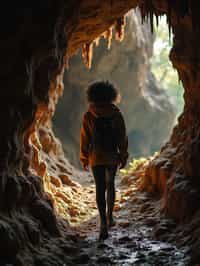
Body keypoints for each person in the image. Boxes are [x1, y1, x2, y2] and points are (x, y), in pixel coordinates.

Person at [80, 80, 128, 240]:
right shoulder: (116, 114)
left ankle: (102, 224)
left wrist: (84, 156)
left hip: (96, 156)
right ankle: (110, 217)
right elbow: (122, 137)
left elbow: (85, 138)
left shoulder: (89, 115)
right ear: (111, 95)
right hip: (112, 155)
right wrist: (123, 155)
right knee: (111, 184)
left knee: (100, 188)